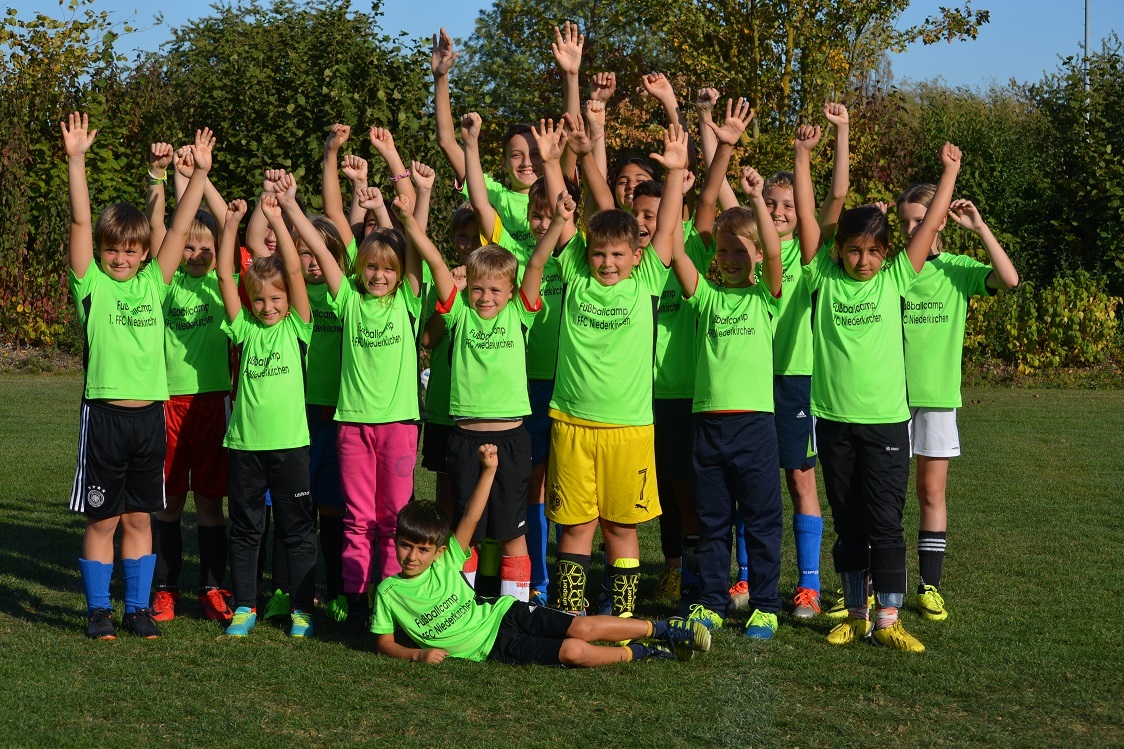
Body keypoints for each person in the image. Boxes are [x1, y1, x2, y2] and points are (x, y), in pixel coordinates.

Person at [795, 116, 963, 652]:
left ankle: (889, 620)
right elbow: (812, 211)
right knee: (848, 522)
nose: (863, 260)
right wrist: (804, 156)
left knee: (886, 522)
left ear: (887, 254)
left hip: (887, 422)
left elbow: (930, 225)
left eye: (873, 251)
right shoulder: (821, 274)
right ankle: (857, 614)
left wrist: (948, 173)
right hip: (833, 421)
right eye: (854, 250)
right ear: (838, 250)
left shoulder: (895, 278)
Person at [66, 113, 213, 640]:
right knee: (102, 520)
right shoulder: (92, 285)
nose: (121, 257)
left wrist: (199, 174)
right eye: (113, 249)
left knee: (139, 519)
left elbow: (179, 226)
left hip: (150, 418)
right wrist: (76, 160)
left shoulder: (155, 282)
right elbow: (81, 224)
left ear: (145, 253)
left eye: (131, 250)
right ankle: (98, 612)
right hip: (104, 418)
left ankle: (137, 609)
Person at [371, 445, 713, 666]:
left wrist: (488, 471)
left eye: (422, 549)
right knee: (572, 651)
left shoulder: (446, 562)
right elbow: (384, 642)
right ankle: (644, 652)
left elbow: (471, 518)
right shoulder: (389, 592)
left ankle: (666, 629)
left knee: (581, 627)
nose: (412, 556)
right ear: (395, 542)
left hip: (505, 614)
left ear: (438, 552)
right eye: (406, 546)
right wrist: (418, 654)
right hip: (492, 649)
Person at [545, 124, 686, 617]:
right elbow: (567, 213)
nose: (607, 263)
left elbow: (666, 227)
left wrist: (674, 173)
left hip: (629, 428)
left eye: (617, 255)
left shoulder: (647, 280)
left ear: (636, 256)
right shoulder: (575, 271)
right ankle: (570, 611)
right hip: (572, 423)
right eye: (599, 254)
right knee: (575, 527)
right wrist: (553, 162)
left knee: (620, 527)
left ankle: (622, 614)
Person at [404, 175, 563, 603]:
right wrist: (410, 222)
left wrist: (556, 225)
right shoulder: (459, 314)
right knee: (466, 530)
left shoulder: (519, 314)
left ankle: (515, 609)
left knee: (512, 532)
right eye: (477, 289)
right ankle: (464, 605)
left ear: (512, 292)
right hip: (466, 439)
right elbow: (437, 263)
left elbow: (535, 265)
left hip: (511, 439)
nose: (485, 297)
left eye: (495, 290)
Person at [280, 168, 423, 637]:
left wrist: (412, 202)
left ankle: (393, 602)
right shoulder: (347, 300)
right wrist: (291, 206)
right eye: (371, 267)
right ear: (358, 268)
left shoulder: (408, 301)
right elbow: (321, 249)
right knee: (358, 521)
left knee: (393, 521)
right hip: (352, 427)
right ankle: (358, 605)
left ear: (400, 275)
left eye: (388, 269)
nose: (379, 276)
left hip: (399, 427)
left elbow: (415, 247)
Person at [671, 99, 785, 640]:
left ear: (758, 254)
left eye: (743, 250)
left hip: (755, 426)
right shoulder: (708, 297)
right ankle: (713, 601)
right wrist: (677, 180)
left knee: (761, 521)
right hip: (708, 425)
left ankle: (766, 604)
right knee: (713, 521)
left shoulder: (767, 298)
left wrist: (758, 199)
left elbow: (777, 256)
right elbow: (674, 248)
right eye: (724, 250)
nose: (732, 258)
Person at [898, 187, 1018, 621]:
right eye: (904, 222)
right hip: (889, 399)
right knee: (886, 495)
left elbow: (1009, 280)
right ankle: (877, 583)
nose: (911, 229)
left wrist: (980, 228)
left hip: (936, 398)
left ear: (939, 220)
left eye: (919, 219)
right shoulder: (894, 270)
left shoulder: (958, 268)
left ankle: (929, 587)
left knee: (931, 491)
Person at [216, 185, 317, 639]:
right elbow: (225, 277)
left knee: (297, 530)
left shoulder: (298, 327)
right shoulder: (244, 329)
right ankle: (245, 606)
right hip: (245, 447)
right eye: (259, 300)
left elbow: (293, 269)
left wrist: (277, 218)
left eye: (276, 299)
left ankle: (301, 609)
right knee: (245, 529)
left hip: (291, 446)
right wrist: (231, 226)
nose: (268, 307)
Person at [146, 139, 234, 624]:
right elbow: (163, 226)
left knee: (210, 502)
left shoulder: (224, 283)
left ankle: (212, 588)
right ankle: (165, 590)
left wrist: (199, 173)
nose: (197, 253)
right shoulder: (167, 283)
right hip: (169, 404)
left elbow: (222, 223)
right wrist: (164, 177)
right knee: (169, 502)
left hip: (213, 403)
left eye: (207, 247)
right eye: (189, 246)